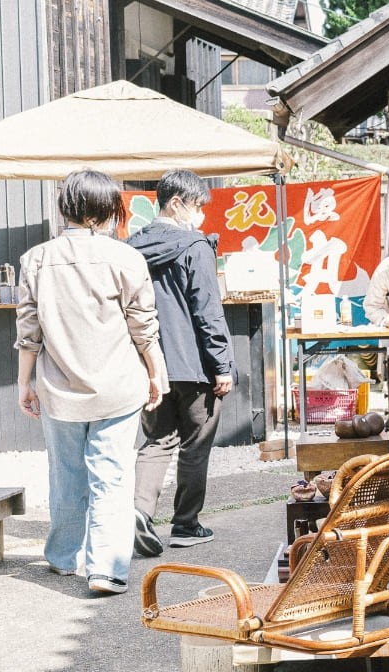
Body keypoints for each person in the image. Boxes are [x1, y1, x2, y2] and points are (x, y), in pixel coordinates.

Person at [15, 169, 167, 595]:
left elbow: (29, 331)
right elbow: (144, 328)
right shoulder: (127, 258)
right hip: (118, 386)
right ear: (106, 211)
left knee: (65, 474)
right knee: (112, 477)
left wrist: (24, 383)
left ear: (66, 208)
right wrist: (156, 372)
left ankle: (65, 558)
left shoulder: (36, 259)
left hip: (59, 389)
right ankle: (107, 569)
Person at [129, 169, 234, 554]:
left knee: (157, 440)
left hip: (147, 364)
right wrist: (222, 363)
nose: (200, 215)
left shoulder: (131, 247)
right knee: (195, 443)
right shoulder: (195, 246)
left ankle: (140, 513)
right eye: (197, 206)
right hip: (194, 366)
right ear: (177, 203)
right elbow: (208, 310)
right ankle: (185, 525)